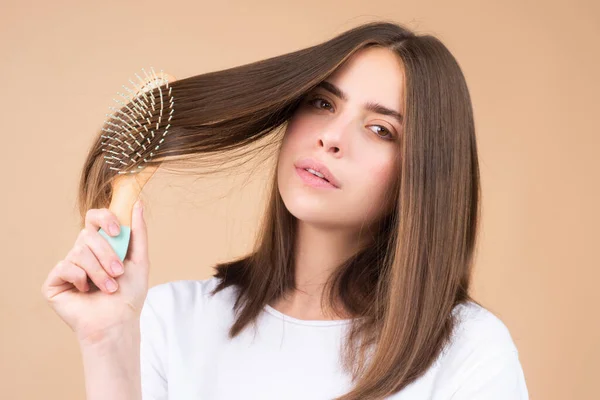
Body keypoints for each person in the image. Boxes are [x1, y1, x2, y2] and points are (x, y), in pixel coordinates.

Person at [41, 21, 529, 399]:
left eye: (381, 129)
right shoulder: (172, 322)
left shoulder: (469, 352)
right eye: (322, 102)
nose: (331, 137)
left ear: (423, 173)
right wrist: (107, 342)